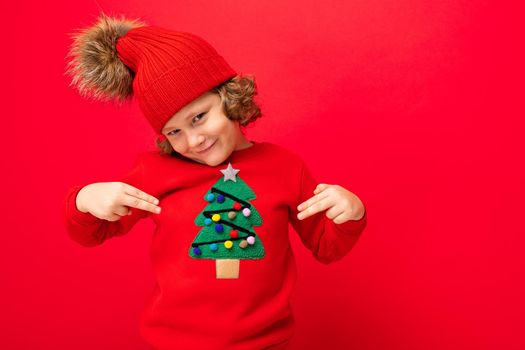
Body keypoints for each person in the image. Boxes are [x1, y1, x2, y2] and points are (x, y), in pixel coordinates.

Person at [63, 13, 368, 350]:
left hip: (265, 343)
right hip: (175, 343)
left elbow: (327, 245)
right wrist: (85, 199)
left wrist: (349, 213)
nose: (193, 140)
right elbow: (91, 231)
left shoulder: (284, 167)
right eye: (174, 131)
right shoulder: (156, 173)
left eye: (199, 117)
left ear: (228, 97)